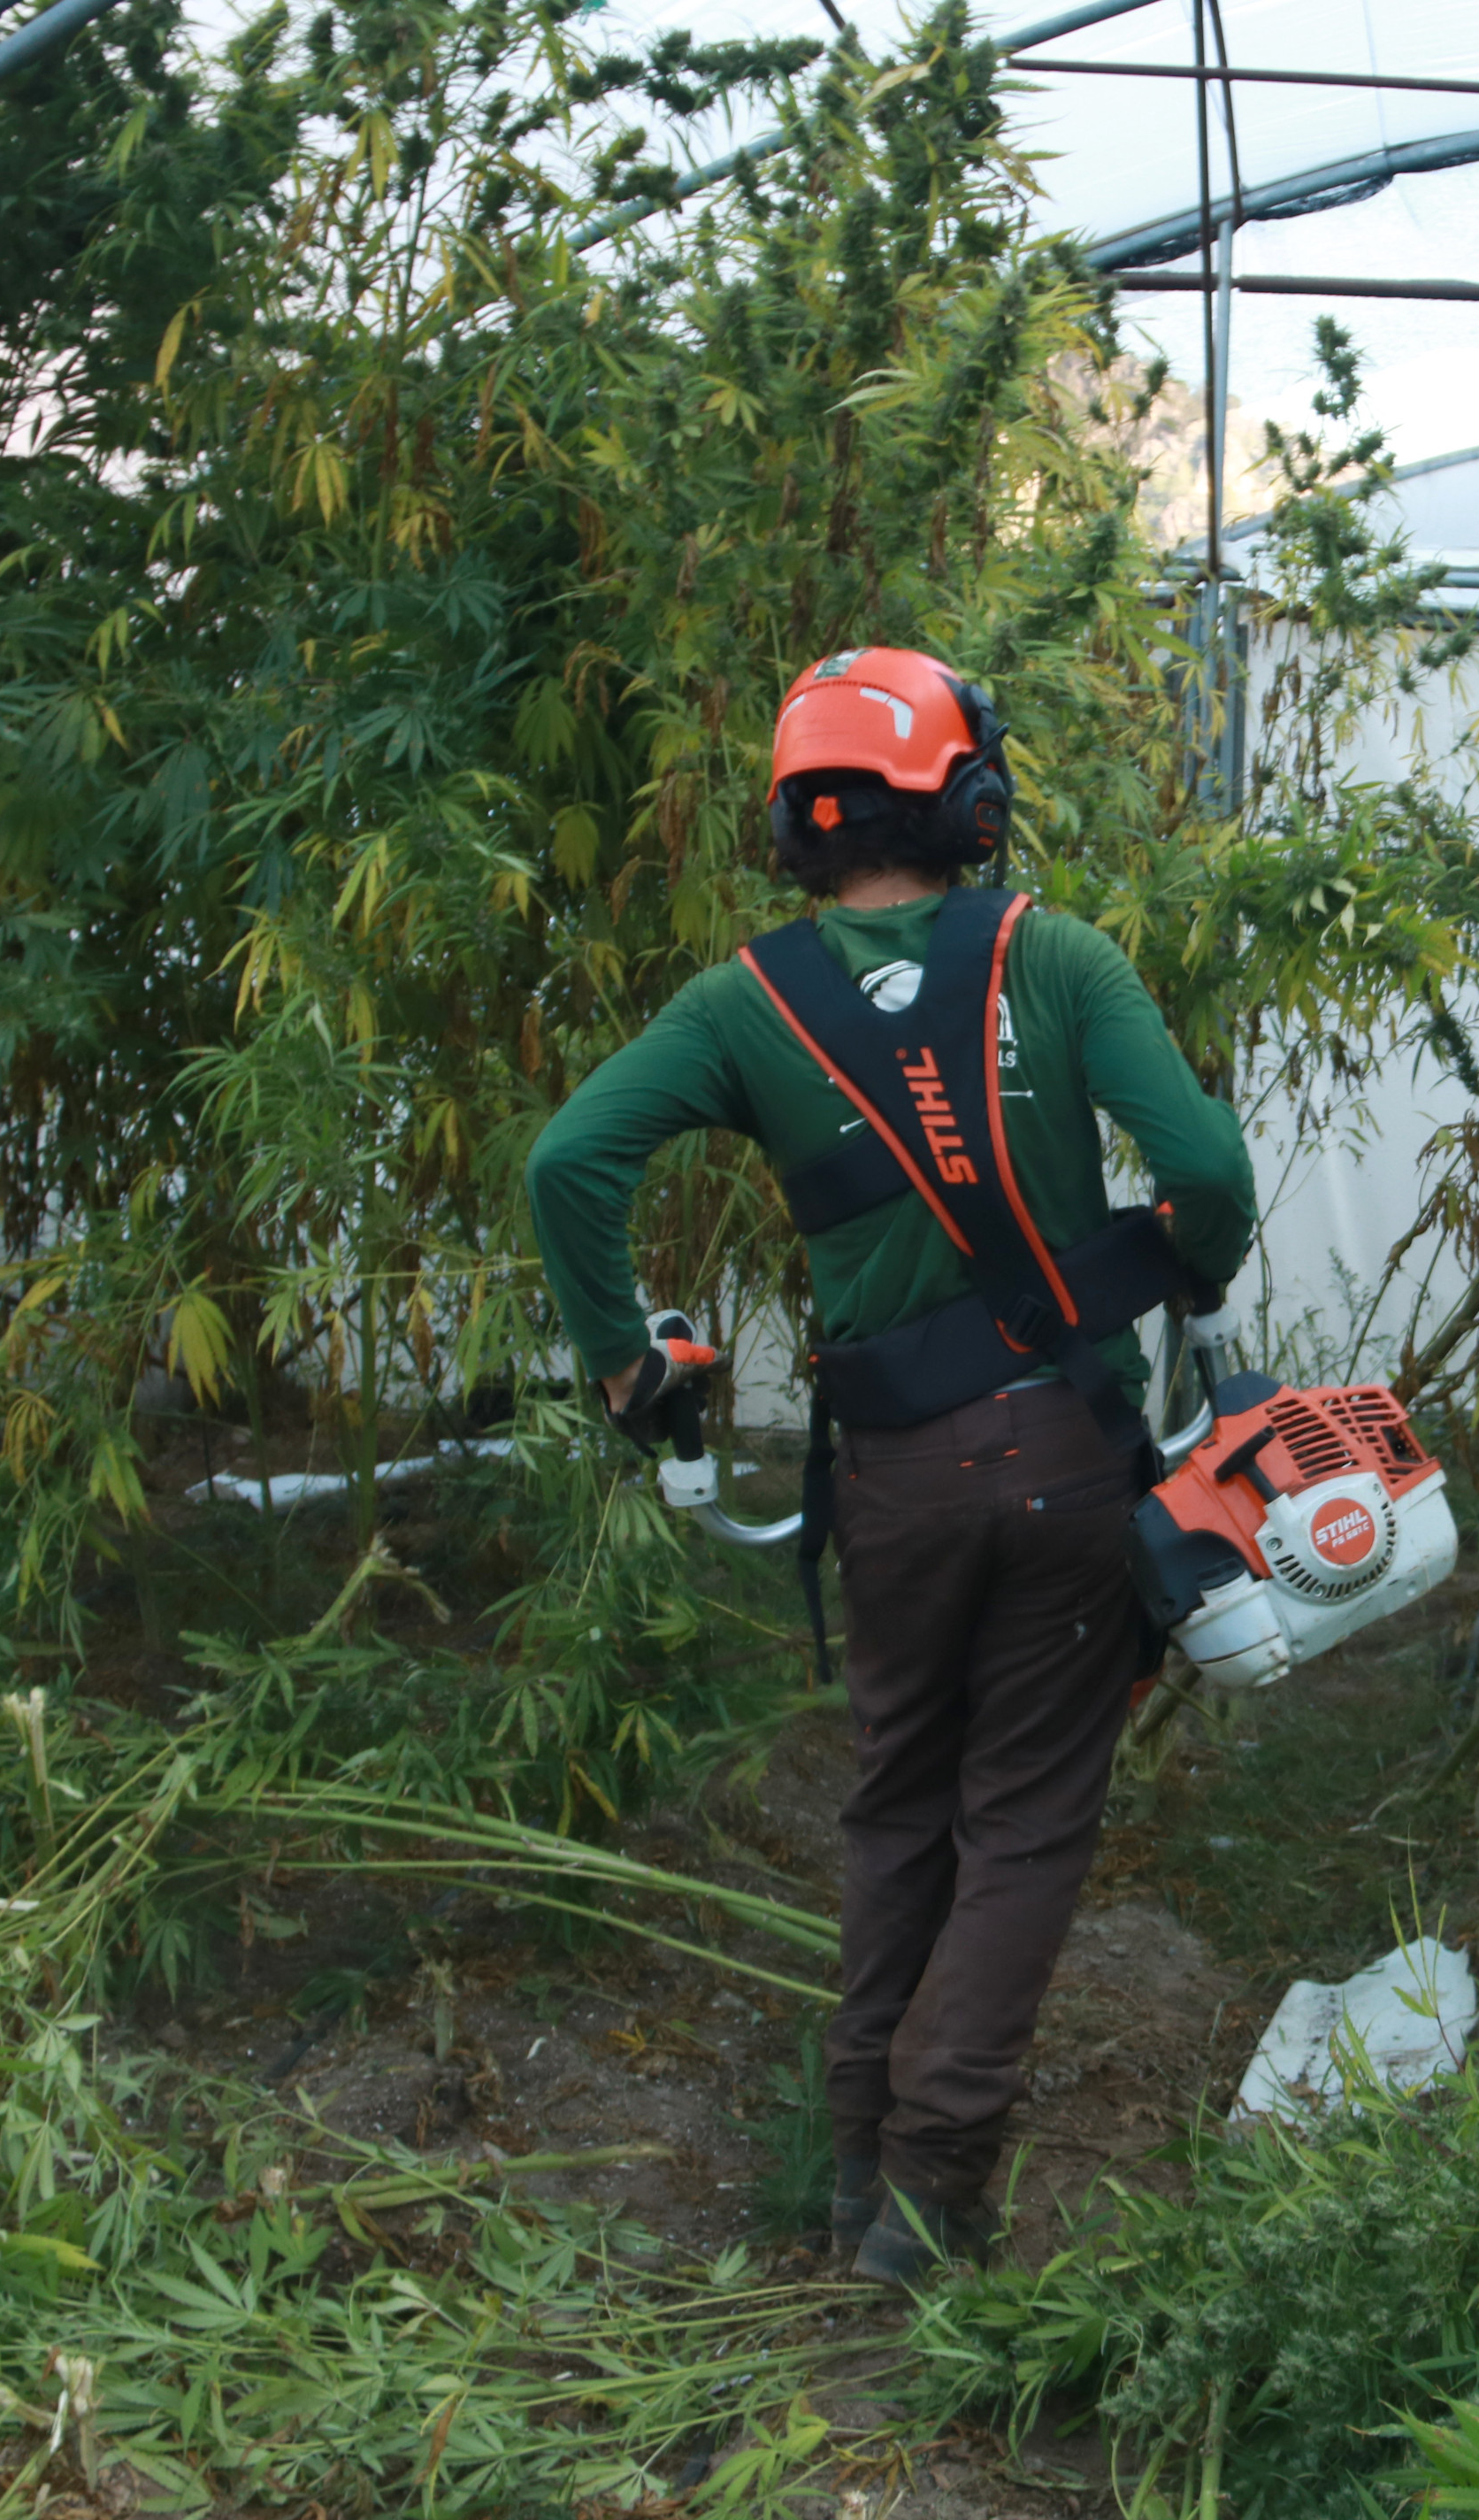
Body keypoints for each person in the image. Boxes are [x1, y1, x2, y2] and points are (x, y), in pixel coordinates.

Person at [524, 647, 1257, 2286]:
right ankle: (929, 2210)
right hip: (1065, 1462)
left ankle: (858, 2175)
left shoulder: (743, 1002)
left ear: (802, 818)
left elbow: (568, 1163)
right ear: (971, 799)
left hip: (898, 1484)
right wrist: (1180, 1265)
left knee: (897, 1815)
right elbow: (1206, 1165)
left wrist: (632, 1372)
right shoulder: (1052, 959)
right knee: (1022, 1832)